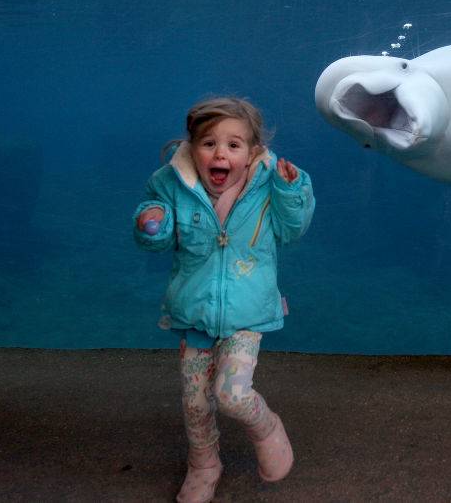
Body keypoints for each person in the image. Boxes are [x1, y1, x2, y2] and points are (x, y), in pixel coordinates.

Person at [132, 96, 315, 503]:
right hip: (193, 312)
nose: (220, 153)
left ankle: (267, 428)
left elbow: (292, 230)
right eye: (209, 143)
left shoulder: (269, 183)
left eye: (234, 145)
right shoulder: (171, 182)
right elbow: (156, 232)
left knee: (232, 395)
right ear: (191, 147)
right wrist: (150, 224)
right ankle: (204, 464)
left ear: (252, 153)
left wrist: (291, 191)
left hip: (248, 312)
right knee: (195, 402)